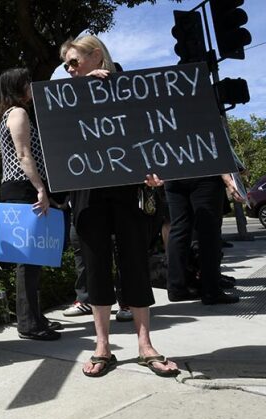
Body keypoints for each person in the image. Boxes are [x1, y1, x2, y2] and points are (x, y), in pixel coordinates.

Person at [61, 35, 178, 378]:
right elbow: (59, 139)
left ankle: (145, 345)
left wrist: (156, 172)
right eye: (66, 65)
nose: (69, 69)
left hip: (128, 188)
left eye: (74, 61)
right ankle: (103, 346)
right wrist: (82, 92)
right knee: (96, 266)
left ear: (95, 56)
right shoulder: (67, 96)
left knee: (135, 262)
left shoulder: (130, 88)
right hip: (86, 190)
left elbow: (150, 133)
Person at [0, 68, 60, 341]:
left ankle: (35, 316)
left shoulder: (8, 114)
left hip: (18, 186)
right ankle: (29, 324)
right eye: (28, 83)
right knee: (28, 259)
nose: (32, 87)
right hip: (23, 187)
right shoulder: (18, 114)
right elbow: (24, 154)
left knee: (33, 257)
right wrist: (40, 188)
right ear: (18, 87)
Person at [166, 172, 244, 304]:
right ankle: (211, 291)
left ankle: (176, 288)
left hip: (173, 173)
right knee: (209, 233)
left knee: (179, 230)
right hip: (204, 173)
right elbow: (217, 151)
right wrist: (227, 176)